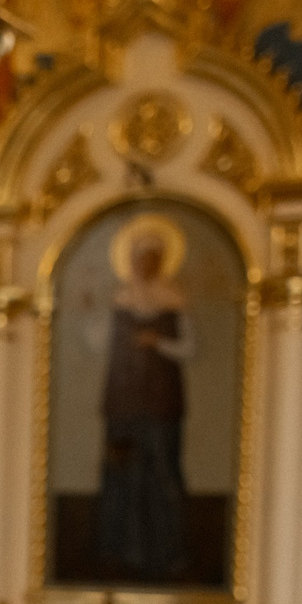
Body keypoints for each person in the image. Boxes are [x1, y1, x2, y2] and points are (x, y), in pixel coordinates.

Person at [96, 214, 192, 582]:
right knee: (121, 471)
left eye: (153, 258)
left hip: (162, 402)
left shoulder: (174, 300)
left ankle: (167, 553)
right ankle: (119, 551)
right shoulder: (118, 300)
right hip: (122, 402)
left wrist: (158, 343)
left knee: (162, 473)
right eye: (140, 258)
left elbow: (190, 348)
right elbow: (97, 342)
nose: (145, 265)